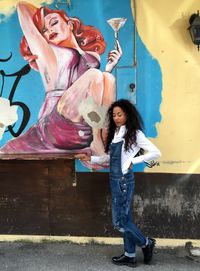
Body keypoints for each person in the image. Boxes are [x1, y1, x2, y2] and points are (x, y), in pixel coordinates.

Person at [1, 1, 122, 169]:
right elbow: (22, 7)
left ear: (70, 24)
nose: (49, 31)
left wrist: (109, 68)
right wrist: (48, 10)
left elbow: (94, 94)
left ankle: (105, 145)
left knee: (109, 79)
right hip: (56, 125)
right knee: (96, 75)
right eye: (44, 30)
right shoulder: (48, 52)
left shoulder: (90, 57)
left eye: (54, 23)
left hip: (82, 126)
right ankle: (97, 142)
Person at [76, 99, 161, 267]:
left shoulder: (135, 133)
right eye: (114, 115)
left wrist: (133, 161)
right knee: (126, 219)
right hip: (115, 180)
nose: (116, 117)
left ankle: (145, 243)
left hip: (123, 181)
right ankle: (130, 255)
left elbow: (155, 152)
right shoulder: (116, 133)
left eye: (119, 114)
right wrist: (90, 158)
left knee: (119, 222)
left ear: (127, 114)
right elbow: (110, 158)